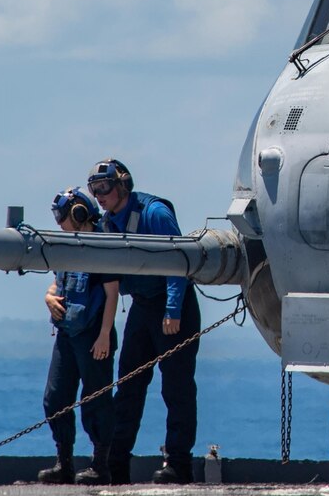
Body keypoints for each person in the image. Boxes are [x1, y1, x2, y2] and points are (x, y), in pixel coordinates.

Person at [86, 158, 200, 485]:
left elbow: (178, 262)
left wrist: (174, 310)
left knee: (176, 389)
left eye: (105, 187)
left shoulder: (155, 214)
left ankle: (179, 464)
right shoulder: (108, 223)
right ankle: (116, 465)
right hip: (142, 306)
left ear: (122, 185)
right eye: (95, 190)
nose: (100, 195)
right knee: (129, 386)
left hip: (172, 304)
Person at [37, 188, 119, 484]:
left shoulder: (99, 245)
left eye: (62, 216)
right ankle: (65, 463)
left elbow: (112, 294)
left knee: (96, 400)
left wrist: (104, 335)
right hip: (66, 333)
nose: (59, 222)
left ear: (78, 214)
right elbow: (56, 283)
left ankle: (100, 465)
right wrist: (49, 298)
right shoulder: (64, 245)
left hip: (93, 334)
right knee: (55, 397)